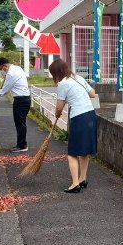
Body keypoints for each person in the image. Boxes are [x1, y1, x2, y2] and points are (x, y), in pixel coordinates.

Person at [48, 59, 98, 193]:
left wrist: (57, 114)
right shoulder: (78, 78)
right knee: (84, 151)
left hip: (79, 117)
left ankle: (75, 184)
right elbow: (93, 94)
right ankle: (83, 179)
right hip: (91, 115)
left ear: (56, 73)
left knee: (72, 153)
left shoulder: (62, 84)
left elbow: (59, 107)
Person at [0, 57, 31, 152]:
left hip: (20, 100)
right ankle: (22, 144)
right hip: (26, 99)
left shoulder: (11, 74)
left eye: (0, 68)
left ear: (5, 66)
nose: (1, 71)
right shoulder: (18, 68)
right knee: (21, 123)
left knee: (20, 124)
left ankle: (22, 145)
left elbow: (6, 88)